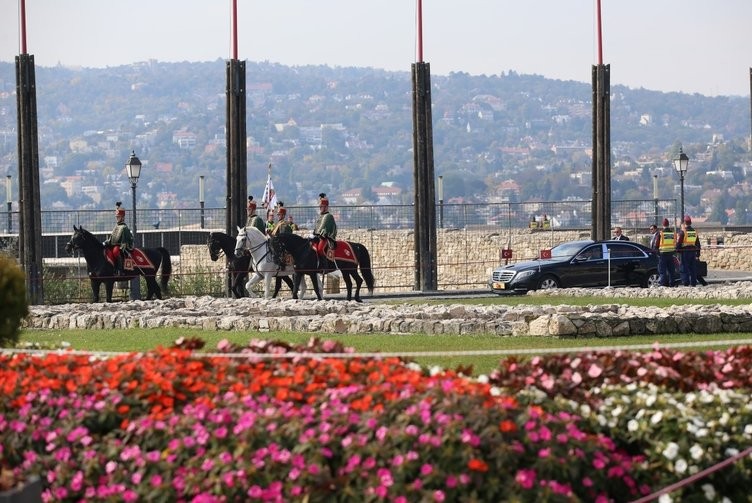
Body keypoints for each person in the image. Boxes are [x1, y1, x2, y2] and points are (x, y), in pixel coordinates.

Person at [104, 201, 133, 276]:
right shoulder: (116, 227)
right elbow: (111, 238)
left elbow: (127, 240)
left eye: (118, 217)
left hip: (121, 246)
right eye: (116, 217)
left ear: (122, 218)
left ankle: (120, 270)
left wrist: (123, 245)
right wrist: (106, 242)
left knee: (116, 251)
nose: (117, 218)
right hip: (113, 245)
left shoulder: (124, 227)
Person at [676, 215, 700, 287]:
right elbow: (698, 244)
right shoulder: (694, 232)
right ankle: (693, 283)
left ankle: (686, 283)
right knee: (692, 268)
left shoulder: (683, 232)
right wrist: (698, 254)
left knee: (684, 268)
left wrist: (678, 250)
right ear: (691, 223)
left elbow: (679, 243)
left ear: (684, 223)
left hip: (685, 252)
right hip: (693, 252)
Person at [313, 192, 337, 258]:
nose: (319, 208)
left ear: (326, 207)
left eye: (321, 206)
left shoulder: (328, 216)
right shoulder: (320, 216)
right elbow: (317, 228)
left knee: (320, 249)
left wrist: (317, 234)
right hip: (318, 237)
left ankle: (324, 265)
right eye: (319, 206)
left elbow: (322, 227)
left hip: (326, 239)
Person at [657, 218, 676, 287]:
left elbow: (656, 245)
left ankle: (663, 285)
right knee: (671, 271)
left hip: (663, 255)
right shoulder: (672, 233)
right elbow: (674, 244)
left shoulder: (661, 234)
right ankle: (672, 284)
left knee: (662, 271)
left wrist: (658, 253)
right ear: (668, 225)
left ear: (663, 225)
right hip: (671, 254)